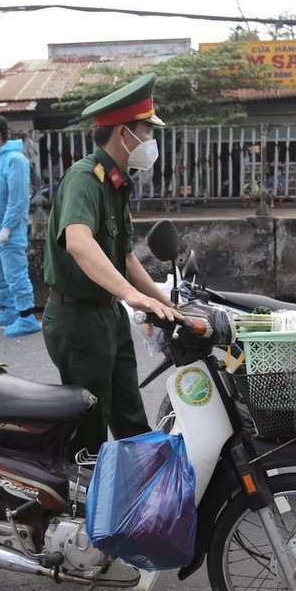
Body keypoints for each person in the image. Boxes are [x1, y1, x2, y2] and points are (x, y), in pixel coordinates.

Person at [43, 73, 180, 456]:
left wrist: (166, 304)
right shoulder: (85, 179)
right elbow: (78, 241)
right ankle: (84, 493)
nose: (150, 141)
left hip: (108, 314)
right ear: (124, 133)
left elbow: (125, 257)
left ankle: (140, 486)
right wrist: (130, 296)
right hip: (78, 319)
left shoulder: (116, 183)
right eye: (147, 131)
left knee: (130, 417)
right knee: (89, 433)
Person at [0, 114, 42, 338]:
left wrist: (7, 228)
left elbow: (18, 199)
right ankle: (8, 309)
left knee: (16, 276)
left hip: (9, 233)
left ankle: (26, 317)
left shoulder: (16, 160)